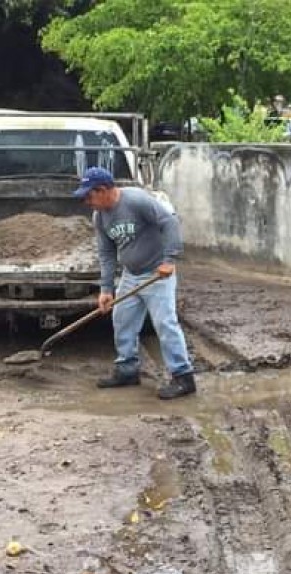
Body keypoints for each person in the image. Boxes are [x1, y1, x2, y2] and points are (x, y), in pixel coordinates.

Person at [74, 166, 196, 400]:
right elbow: (107, 254)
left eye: (89, 196)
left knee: (165, 324)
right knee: (122, 319)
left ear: (102, 190)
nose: (87, 202)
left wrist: (169, 260)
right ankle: (127, 370)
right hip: (131, 275)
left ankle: (183, 377)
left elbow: (169, 222)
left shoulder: (137, 200)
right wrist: (106, 289)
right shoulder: (100, 216)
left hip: (157, 274)